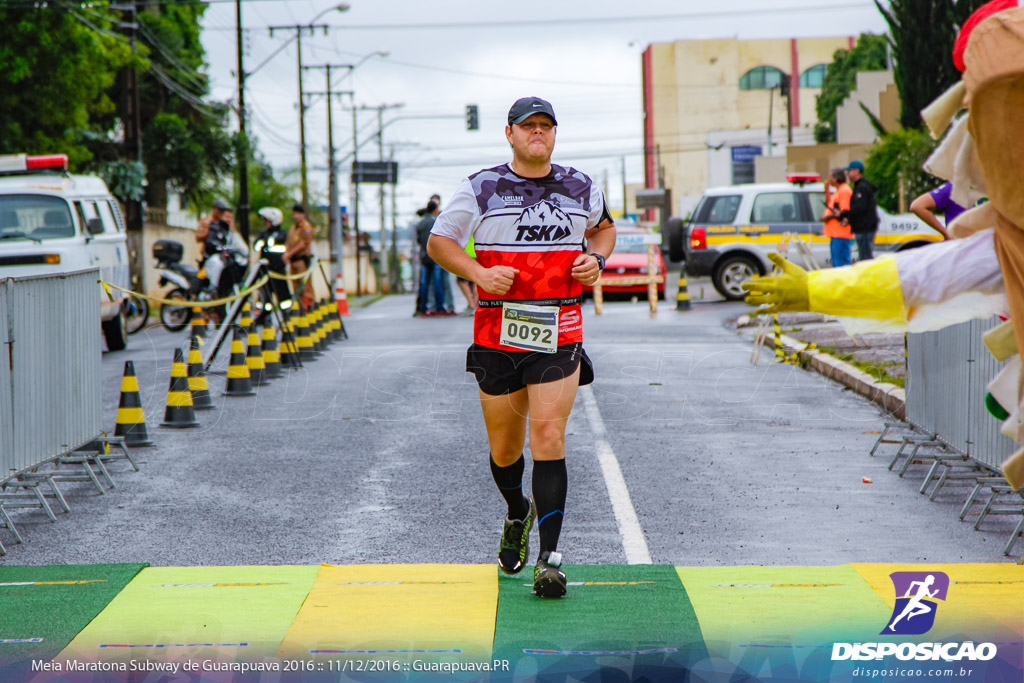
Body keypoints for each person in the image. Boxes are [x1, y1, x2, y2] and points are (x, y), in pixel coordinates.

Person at [427, 96, 616, 598]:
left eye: (546, 126)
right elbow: (439, 242)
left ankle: (551, 559)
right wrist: (480, 272)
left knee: (549, 440)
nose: (538, 133)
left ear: (555, 134)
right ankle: (517, 512)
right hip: (497, 333)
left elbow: (603, 230)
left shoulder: (581, 185)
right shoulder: (480, 187)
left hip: (560, 329)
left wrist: (595, 260)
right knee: (505, 450)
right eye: (527, 126)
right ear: (508, 134)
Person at [254, 207, 291, 317]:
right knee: (265, 293)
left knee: (282, 293)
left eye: (268, 221)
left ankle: (286, 314)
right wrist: (262, 242)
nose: (266, 223)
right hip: (265, 269)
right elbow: (256, 246)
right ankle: (264, 314)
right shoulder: (263, 234)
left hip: (278, 269)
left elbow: (280, 246)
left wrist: (267, 243)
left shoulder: (282, 233)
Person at [839, 160, 879, 260]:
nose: (847, 173)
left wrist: (844, 214)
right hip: (863, 227)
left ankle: (868, 276)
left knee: (865, 258)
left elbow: (859, 208)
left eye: (849, 171)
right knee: (864, 256)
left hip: (865, 228)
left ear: (857, 171)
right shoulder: (860, 186)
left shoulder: (862, 187)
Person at [415, 200, 448, 317]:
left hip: (424, 257)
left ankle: (421, 309)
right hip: (435, 257)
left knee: (424, 284)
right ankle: (440, 308)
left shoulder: (420, 223)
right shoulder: (436, 222)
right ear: (434, 210)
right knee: (438, 284)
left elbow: (419, 241)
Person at [284, 204, 315, 311]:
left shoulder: (306, 227)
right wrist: (286, 253)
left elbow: (303, 244)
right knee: (296, 288)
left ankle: (311, 309)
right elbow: (288, 242)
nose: (295, 216)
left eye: (297, 214)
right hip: (293, 261)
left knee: (306, 287)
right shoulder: (293, 228)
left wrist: (290, 253)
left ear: (303, 214)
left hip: (302, 261)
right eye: (294, 214)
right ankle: (301, 311)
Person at [822, 169, 854, 267]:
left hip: (841, 233)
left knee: (841, 264)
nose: (828, 179)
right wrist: (827, 191)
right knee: (836, 263)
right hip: (836, 233)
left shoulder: (844, 191)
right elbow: (830, 206)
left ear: (836, 178)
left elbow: (845, 212)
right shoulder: (838, 191)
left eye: (830, 176)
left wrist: (829, 217)